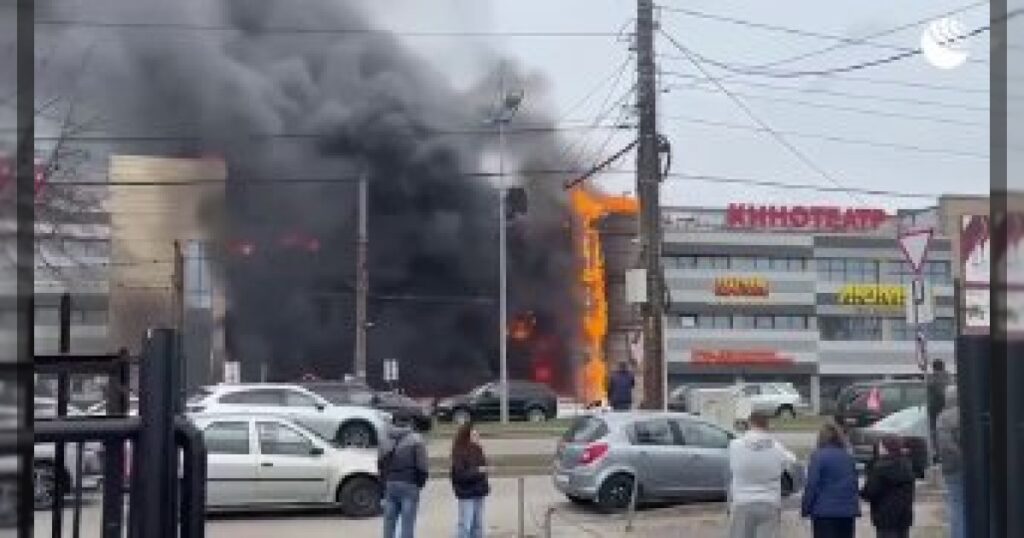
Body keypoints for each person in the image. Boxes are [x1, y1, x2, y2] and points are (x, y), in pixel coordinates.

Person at [727, 410, 797, 538]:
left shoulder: (735, 445)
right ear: (767, 425)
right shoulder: (777, 448)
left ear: (749, 423)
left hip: (742, 501)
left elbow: (733, 468)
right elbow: (792, 460)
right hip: (769, 502)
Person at [801, 423, 860, 538]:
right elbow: (854, 483)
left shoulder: (818, 456)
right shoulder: (848, 457)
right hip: (847, 511)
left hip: (824, 511)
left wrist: (806, 508)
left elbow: (812, 485)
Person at [379, 417, 429, 538]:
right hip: (409, 483)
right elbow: (422, 466)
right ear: (410, 423)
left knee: (389, 523)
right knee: (407, 524)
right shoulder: (416, 439)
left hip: (390, 483)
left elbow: (380, 465)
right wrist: (419, 484)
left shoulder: (385, 438)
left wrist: (385, 484)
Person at [860, 435, 915, 538]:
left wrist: (861, 492)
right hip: (904, 516)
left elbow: (870, 491)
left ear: (886, 448)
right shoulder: (906, 465)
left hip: (884, 516)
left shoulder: (880, 468)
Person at [450, 423, 490, 538]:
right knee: (465, 524)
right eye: (474, 434)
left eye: (478, 434)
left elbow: (482, 471)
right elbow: (460, 475)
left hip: (479, 491)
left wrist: (484, 478)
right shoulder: (459, 453)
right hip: (466, 492)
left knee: (478, 524)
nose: (477, 437)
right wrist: (479, 471)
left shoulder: (478, 450)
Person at [936, 385, 963, 538]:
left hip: (953, 468)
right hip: (974, 467)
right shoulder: (969, 411)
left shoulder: (944, 417)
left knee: (957, 505)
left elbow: (945, 445)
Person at [927, 359, 951, 448]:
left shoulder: (933, 378)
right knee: (945, 430)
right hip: (946, 406)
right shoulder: (948, 377)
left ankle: (936, 449)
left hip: (935, 407)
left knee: (934, 430)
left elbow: (931, 388)